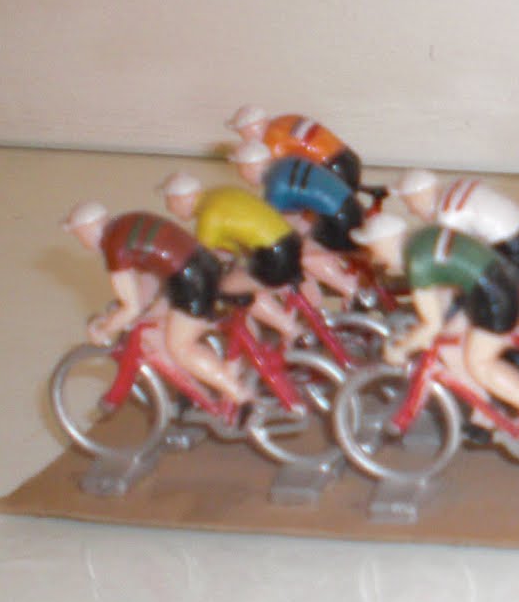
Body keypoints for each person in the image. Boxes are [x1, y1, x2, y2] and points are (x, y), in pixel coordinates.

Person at [351, 214, 519, 441]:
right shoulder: (419, 238)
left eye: (374, 249)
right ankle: (486, 412)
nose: (375, 258)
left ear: (385, 243)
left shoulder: (417, 263)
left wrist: (401, 348)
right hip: (487, 285)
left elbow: (431, 325)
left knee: (480, 364)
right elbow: (443, 286)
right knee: (449, 348)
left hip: (493, 294)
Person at [61, 201, 251, 406]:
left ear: (88, 230)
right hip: (203, 266)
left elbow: (131, 307)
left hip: (190, 281)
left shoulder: (114, 248)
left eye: (79, 235)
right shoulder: (126, 223)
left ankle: (240, 395)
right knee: (155, 322)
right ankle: (194, 387)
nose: (81, 241)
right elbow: (150, 276)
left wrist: (104, 329)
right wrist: (129, 312)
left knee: (180, 348)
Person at [160, 172, 303, 345]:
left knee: (225, 288)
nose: (169, 209)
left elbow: (201, 260)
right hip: (289, 243)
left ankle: (290, 329)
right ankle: (258, 333)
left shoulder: (208, 216)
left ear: (179, 199)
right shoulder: (219, 194)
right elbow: (230, 245)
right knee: (240, 282)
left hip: (275, 256)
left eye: (169, 202)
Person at [230, 141, 365, 303]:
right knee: (303, 236)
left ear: (249, 167)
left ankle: (351, 289)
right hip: (349, 207)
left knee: (302, 256)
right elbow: (294, 214)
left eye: (240, 169)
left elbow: (269, 229)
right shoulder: (284, 164)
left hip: (339, 219)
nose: (241, 175)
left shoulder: (275, 186)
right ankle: (316, 297)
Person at [395, 169, 519, 281]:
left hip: (515, 251)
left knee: (467, 287)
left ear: (419, 199)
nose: (410, 211)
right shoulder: (456, 186)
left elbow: (452, 259)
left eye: (409, 203)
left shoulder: (448, 216)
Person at [226, 105, 381, 195]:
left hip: (333, 169)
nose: (243, 137)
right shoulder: (284, 120)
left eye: (241, 132)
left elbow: (273, 173)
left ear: (251, 128)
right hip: (348, 158)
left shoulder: (271, 143)